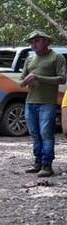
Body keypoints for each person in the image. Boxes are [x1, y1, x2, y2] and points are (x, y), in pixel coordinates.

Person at [20, 30, 67, 177]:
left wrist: (39, 77)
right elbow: (21, 82)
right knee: (34, 134)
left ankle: (47, 165)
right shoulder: (29, 59)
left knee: (46, 133)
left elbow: (62, 79)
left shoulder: (56, 57)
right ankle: (38, 162)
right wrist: (26, 81)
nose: (34, 44)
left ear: (46, 41)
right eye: (31, 41)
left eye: (37, 40)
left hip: (47, 102)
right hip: (30, 102)